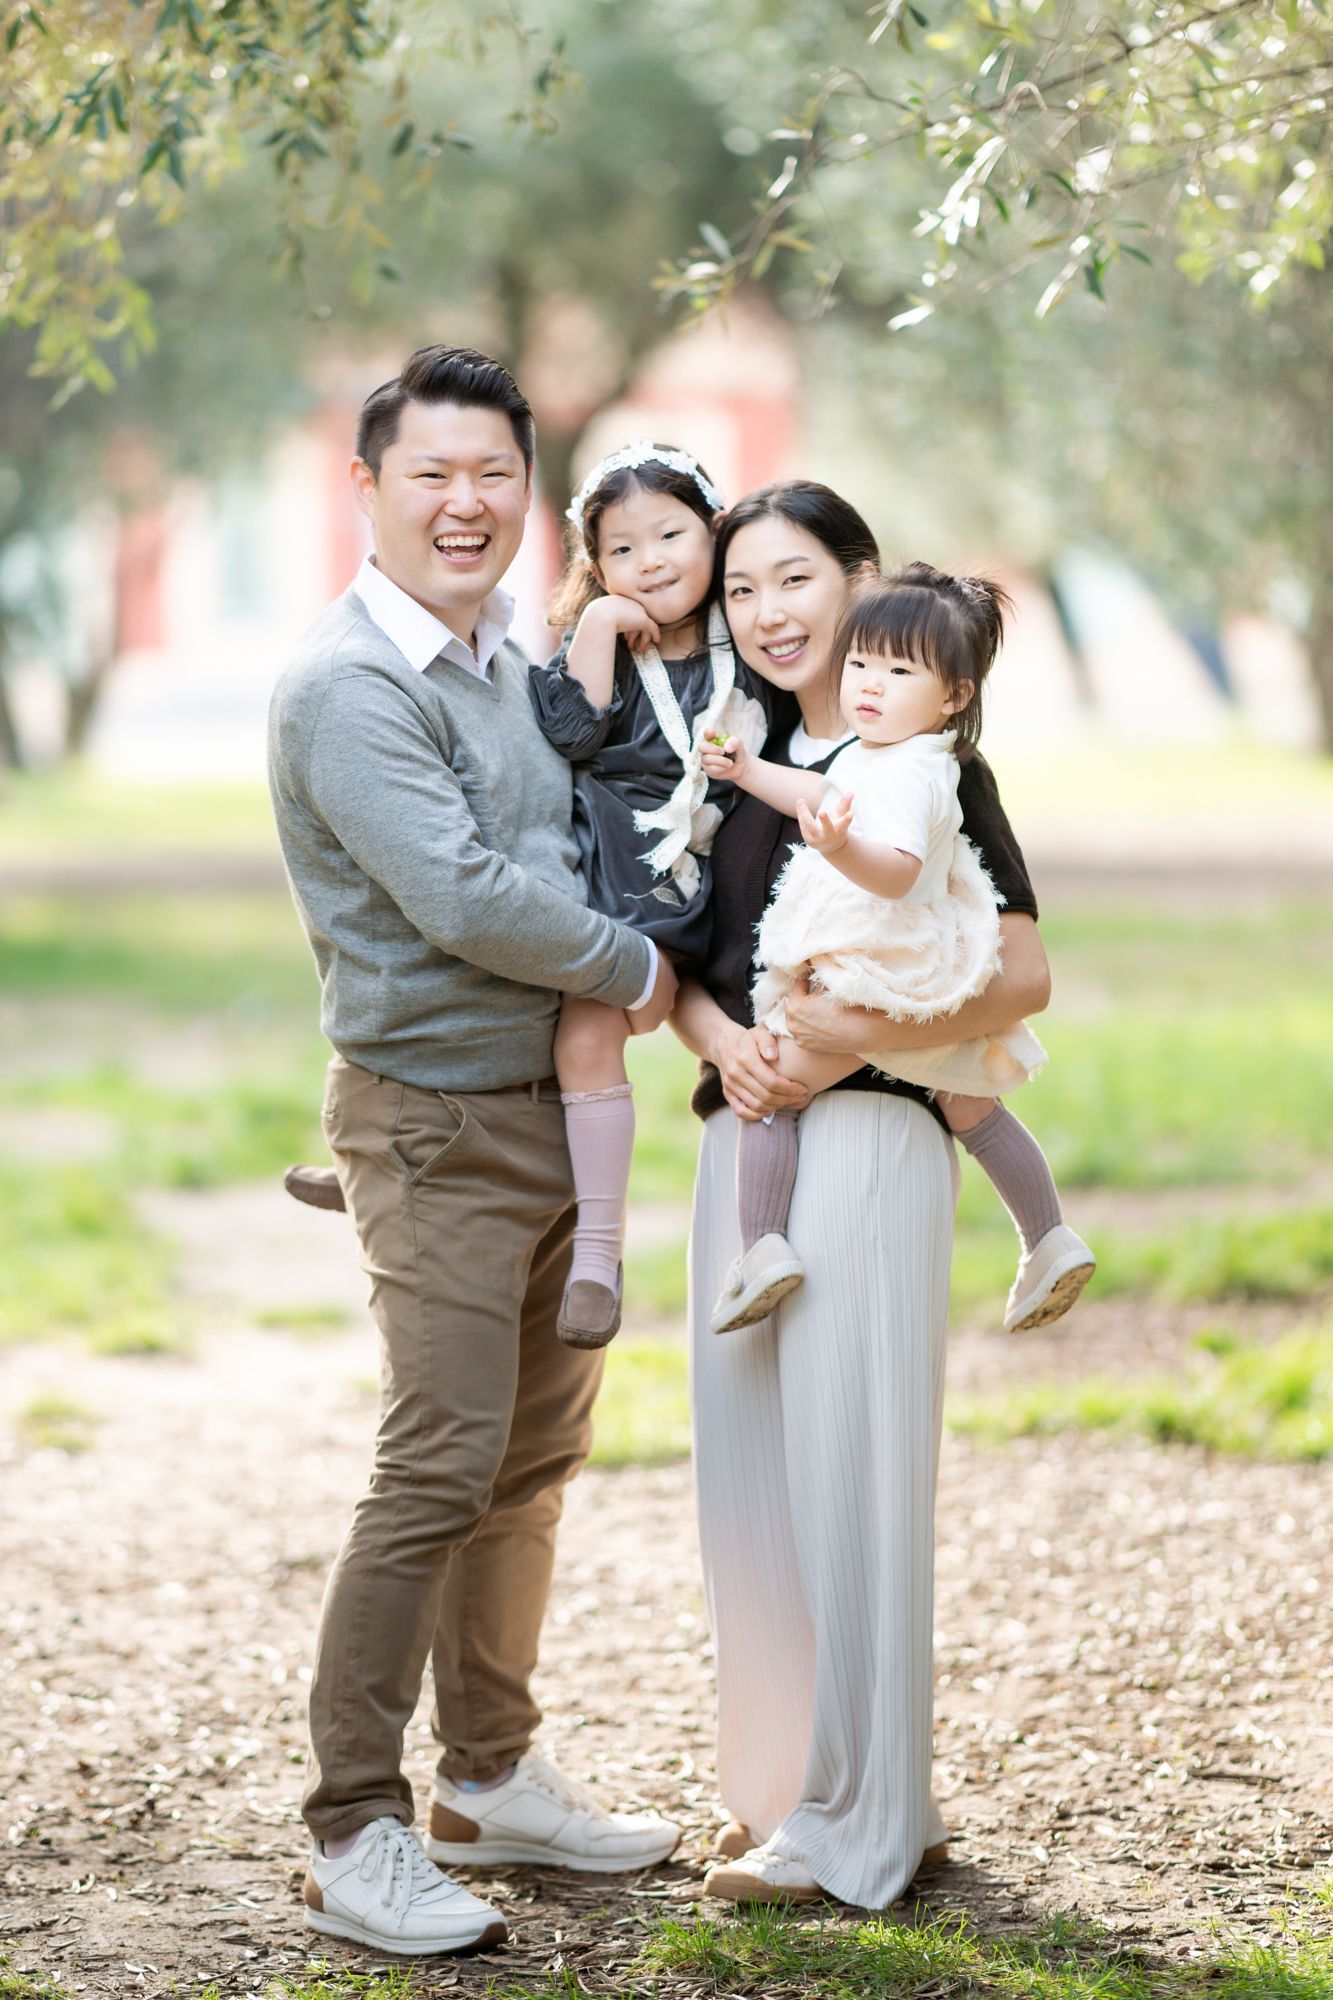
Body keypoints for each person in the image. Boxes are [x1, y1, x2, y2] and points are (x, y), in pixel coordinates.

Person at [267, 345, 682, 1959]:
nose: (465, 502)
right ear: (365, 487)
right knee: (438, 1462)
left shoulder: (516, 656)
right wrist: (646, 972)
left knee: (528, 1465)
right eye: (430, 473)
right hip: (432, 1124)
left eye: (493, 473)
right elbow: (458, 895)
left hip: (556, 1117)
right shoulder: (347, 684)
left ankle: (490, 1776)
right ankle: (351, 1826)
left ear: (527, 487)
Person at [668, 481, 1054, 1908]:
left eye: (794, 579)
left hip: (877, 1135)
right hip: (745, 1138)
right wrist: (727, 1046)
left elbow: (1021, 976)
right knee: (751, 1486)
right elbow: (679, 970)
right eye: (740, 589)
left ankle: (866, 1812)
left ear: (859, 579)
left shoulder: (928, 768)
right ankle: (785, 1789)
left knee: (854, 1483)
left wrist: (847, 1039)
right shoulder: (741, 761)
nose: (767, 612)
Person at [701, 563, 1092, 1337]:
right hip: (910, 963)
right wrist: (748, 772)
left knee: (772, 1088)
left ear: (954, 696)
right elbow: (817, 792)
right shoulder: (875, 752)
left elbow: (899, 871)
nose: (869, 685)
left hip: (879, 967)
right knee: (967, 1101)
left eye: (899, 671)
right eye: (858, 664)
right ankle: (1048, 1237)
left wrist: (840, 851)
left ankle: (760, 1248)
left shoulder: (917, 771)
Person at [527, 442, 771, 1347]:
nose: (651, 562)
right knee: (583, 1029)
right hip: (622, 884)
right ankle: (598, 1254)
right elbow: (570, 731)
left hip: (733, 882)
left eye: (670, 535)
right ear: (595, 567)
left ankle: (767, 1240)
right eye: (621, 550)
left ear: (714, 532)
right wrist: (597, 626)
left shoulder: (749, 636)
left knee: (765, 1053)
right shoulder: (608, 648)